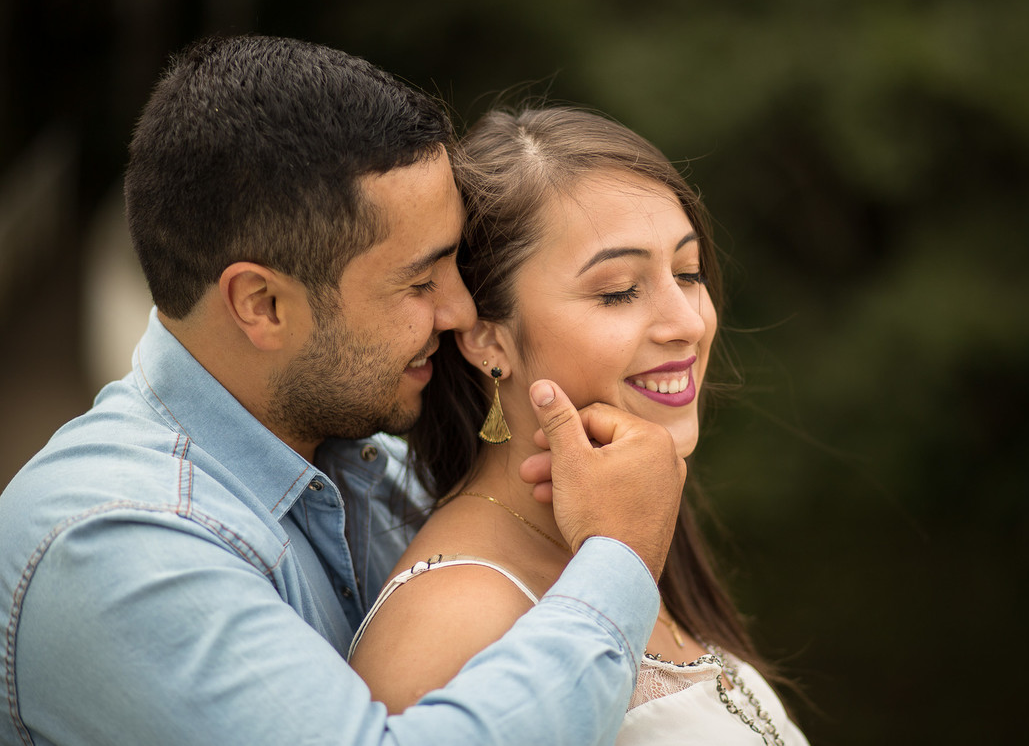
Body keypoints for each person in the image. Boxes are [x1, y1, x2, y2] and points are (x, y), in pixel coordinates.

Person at [0, 36, 688, 745]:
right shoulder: (113, 544)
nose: (458, 311)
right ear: (263, 306)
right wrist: (620, 559)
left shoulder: (369, 467)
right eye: (420, 281)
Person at [348, 106, 810, 745]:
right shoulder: (452, 620)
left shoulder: (629, 529)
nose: (687, 322)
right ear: (487, 339)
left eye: (688, 272)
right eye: (618, 290)